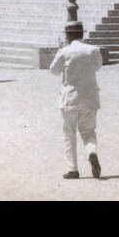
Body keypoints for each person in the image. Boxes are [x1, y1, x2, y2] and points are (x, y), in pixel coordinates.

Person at [49, 22, 103, 180]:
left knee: (69, 133)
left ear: (67, 35)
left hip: (70, 97)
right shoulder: (93, 50)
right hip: (90, 97)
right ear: (82, 34)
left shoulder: (64, 51)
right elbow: (97, 66)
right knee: (88, 131)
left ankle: (72, 169)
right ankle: (91, 152)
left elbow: (53, 70)